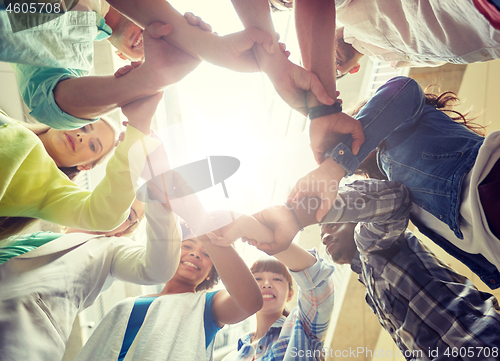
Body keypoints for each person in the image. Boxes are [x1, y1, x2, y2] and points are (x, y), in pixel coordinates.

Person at [287, 76, 500, 289]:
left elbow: (404, 89)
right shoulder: (396, 191)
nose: (342, 153)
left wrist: (333, 166)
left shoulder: (398, 128)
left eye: (339, 147)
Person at [319, 179, 500, 360]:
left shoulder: (370, 244)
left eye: (332, 225)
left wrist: (319, 205)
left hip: (478, 345)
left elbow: (396, 200)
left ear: (357, 222)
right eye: (322, 237)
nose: (325, 237)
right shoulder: (369, 288)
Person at [0, 183, 182, 361]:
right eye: (117, 200)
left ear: (123, 231)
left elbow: (156, 269)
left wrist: (159, 203)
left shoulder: (111, 251)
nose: (117, 212)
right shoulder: (40, 230)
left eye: (128, 215)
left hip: (17, 333)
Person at [74, 216, 271, 361]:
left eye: (207, 253)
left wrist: (212, 235)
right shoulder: (128, 304)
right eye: (187, 246)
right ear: (171, 251)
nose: (195, 254)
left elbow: (250, 302)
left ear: (212, 271)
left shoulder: (207, 305)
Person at [0, 92, 162, 240]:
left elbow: (103, 216)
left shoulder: (51, 190)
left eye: (93, 146)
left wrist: (138, 127)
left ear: (85, 166)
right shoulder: (8, 121)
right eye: (84, 127)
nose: (81, 136)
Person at [217, 241, 335, 361]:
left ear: (290, 294)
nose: (267, 284)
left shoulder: (302, 330)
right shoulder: (230, 357)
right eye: (257, 278)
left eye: (277, 279)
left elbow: (318, 283)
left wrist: (266, 238)